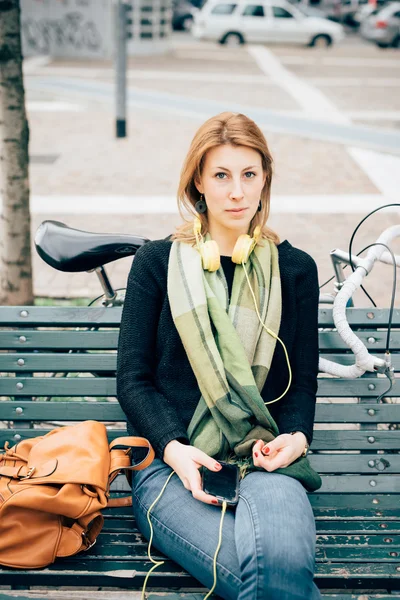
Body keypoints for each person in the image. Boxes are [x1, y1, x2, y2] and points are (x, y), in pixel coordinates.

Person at [117, 111, 322, 600]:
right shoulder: (157, 263)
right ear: (198, 184)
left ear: (265, 179)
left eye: (249, 174)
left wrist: (296, 438)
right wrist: (172, 448)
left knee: (284, 562)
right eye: (222, 176)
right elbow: (133, 379)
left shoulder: (294, 270)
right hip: (172, 467)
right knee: (275, 577)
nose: (237, 192)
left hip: (263, 462)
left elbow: (303, 383)